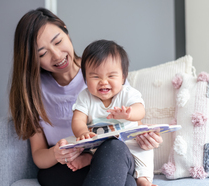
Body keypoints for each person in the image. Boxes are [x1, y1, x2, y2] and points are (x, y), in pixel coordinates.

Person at [9, 7, 163, 186]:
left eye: (58, 42)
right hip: (69, 165)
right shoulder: (32, 93)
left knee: (113, 150)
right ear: (31, 59)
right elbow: (38, 155)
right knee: (124, 181)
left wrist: (146, 138)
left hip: (113, 153)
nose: (57, 56)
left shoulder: (103, 69)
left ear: (66, 31)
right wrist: (55, 154)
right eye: (42, 53)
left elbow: (130, 119)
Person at [69, 39, 155, 186]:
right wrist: (82, 132)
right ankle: (89, 158)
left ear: (123, 76)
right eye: (95, 76)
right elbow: (77, 120)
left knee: (144, 153)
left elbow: (140, 110)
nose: (103, 81)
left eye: (111, 76)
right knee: (90, 150)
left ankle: (143, 179)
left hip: (129, 147)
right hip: (100, 150)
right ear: (85, 78)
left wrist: (129, 113)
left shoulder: (127, 93)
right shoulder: (85, 97)